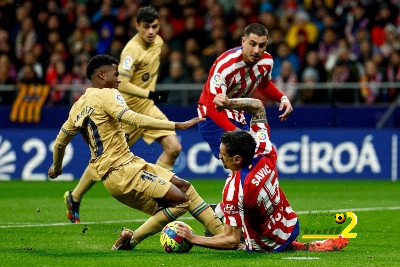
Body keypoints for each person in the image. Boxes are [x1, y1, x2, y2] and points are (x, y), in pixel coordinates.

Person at [48, 54, 224, 250]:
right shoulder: (107, 94)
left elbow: (59, 143)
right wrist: (176, 125)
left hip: (125, 168)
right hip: (123, 171)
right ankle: (130, 241)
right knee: (181, 202)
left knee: (185, 188)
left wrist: (56, 167)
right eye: (115, 74)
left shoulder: (76, 107)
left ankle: (224, 237)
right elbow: (133, 119)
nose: (119, 79)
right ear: (101, 75)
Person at [177, 94, 349, 252]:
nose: (219, 156)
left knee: (213, 228)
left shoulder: (235, 188)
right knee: (219, 210)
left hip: (266, 243)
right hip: (287, 224)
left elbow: (231, 240)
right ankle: (300, 245)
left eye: (223, 153)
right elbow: (258, 106)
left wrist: (193, 239)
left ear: (237, 159)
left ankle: (294, 247)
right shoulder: (264, 149)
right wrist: (229, 103)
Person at [64, 6, 184, 223]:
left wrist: (149, 96)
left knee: (174, 148)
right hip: (125, 112)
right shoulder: (131, 51)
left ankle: (160, 193)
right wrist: (150, 93)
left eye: (154, 27)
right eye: (146, 27)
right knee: (106, 159)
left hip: (147, 107)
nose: (151, 31)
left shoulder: (158, 43)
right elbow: (124, 83)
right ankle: (75, 196)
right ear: (136, 25)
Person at [197, 23, 293, 159]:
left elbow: (264, 85)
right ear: (243, 41)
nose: (256, 50)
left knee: (259, 156)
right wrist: (238, 134)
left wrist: (282, 98)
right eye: (252, 44)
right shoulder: (225, 66)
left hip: (237, 114)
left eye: (262, 45)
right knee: (242, 158)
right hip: (211, 117)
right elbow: (212, 107)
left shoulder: (267, 61)